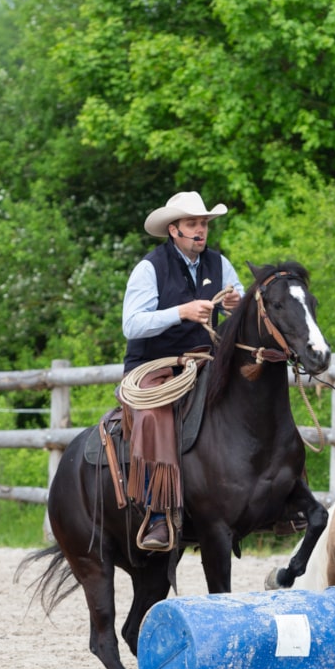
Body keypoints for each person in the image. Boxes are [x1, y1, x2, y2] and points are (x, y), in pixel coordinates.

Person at [121, 191, 244, 548]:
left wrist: (236, 305)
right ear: (173, 230)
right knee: (155, 415)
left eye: (204, 224)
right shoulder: (150, 268)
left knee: (255, 396)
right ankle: (157, 513)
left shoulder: (220, 265)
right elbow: (132, 324)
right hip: (155, 365)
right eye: (192, 224)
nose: (200, 230)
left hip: (206, 360)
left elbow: (244, 313)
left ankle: (272, 495)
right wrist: (181, 312)